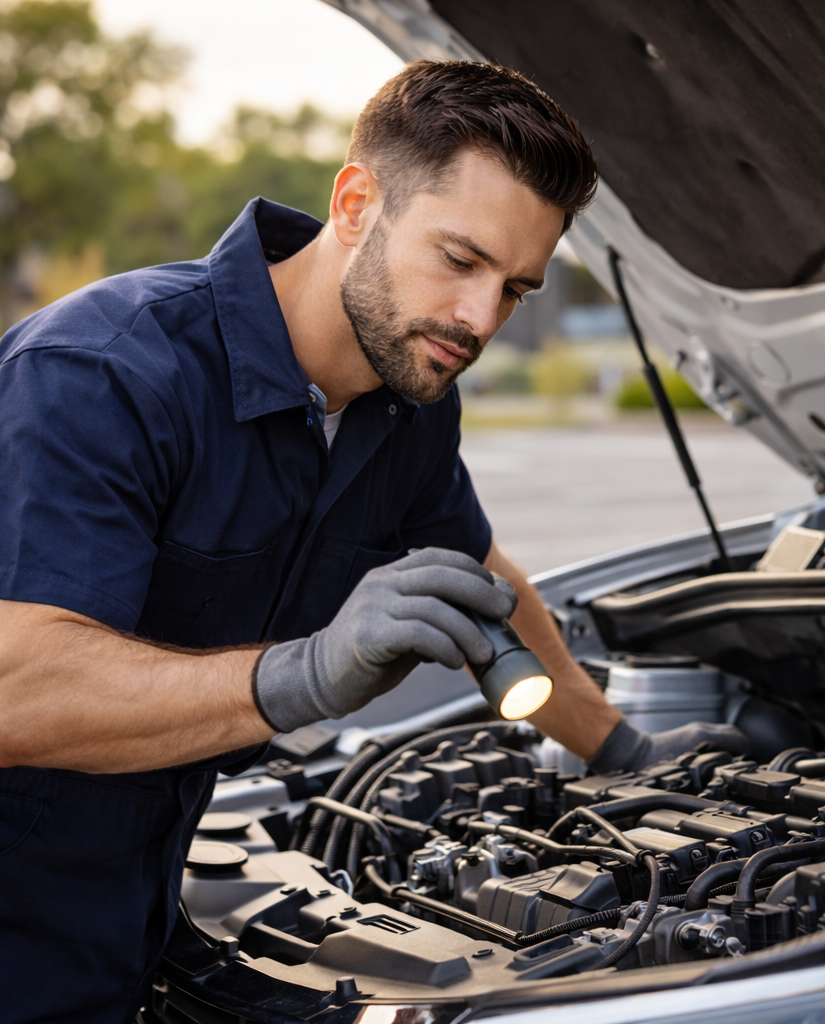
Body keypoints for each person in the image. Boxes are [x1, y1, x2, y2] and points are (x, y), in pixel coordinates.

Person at [0, 60, 746, 1022]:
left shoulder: (411, 400)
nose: (483, 321)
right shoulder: (105, 376)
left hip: (134, 900)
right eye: (461, 260)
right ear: (356, 203)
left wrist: (621, 750)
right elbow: (20, 687)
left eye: (517, 289)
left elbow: (478, 576)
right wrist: (302, 675)